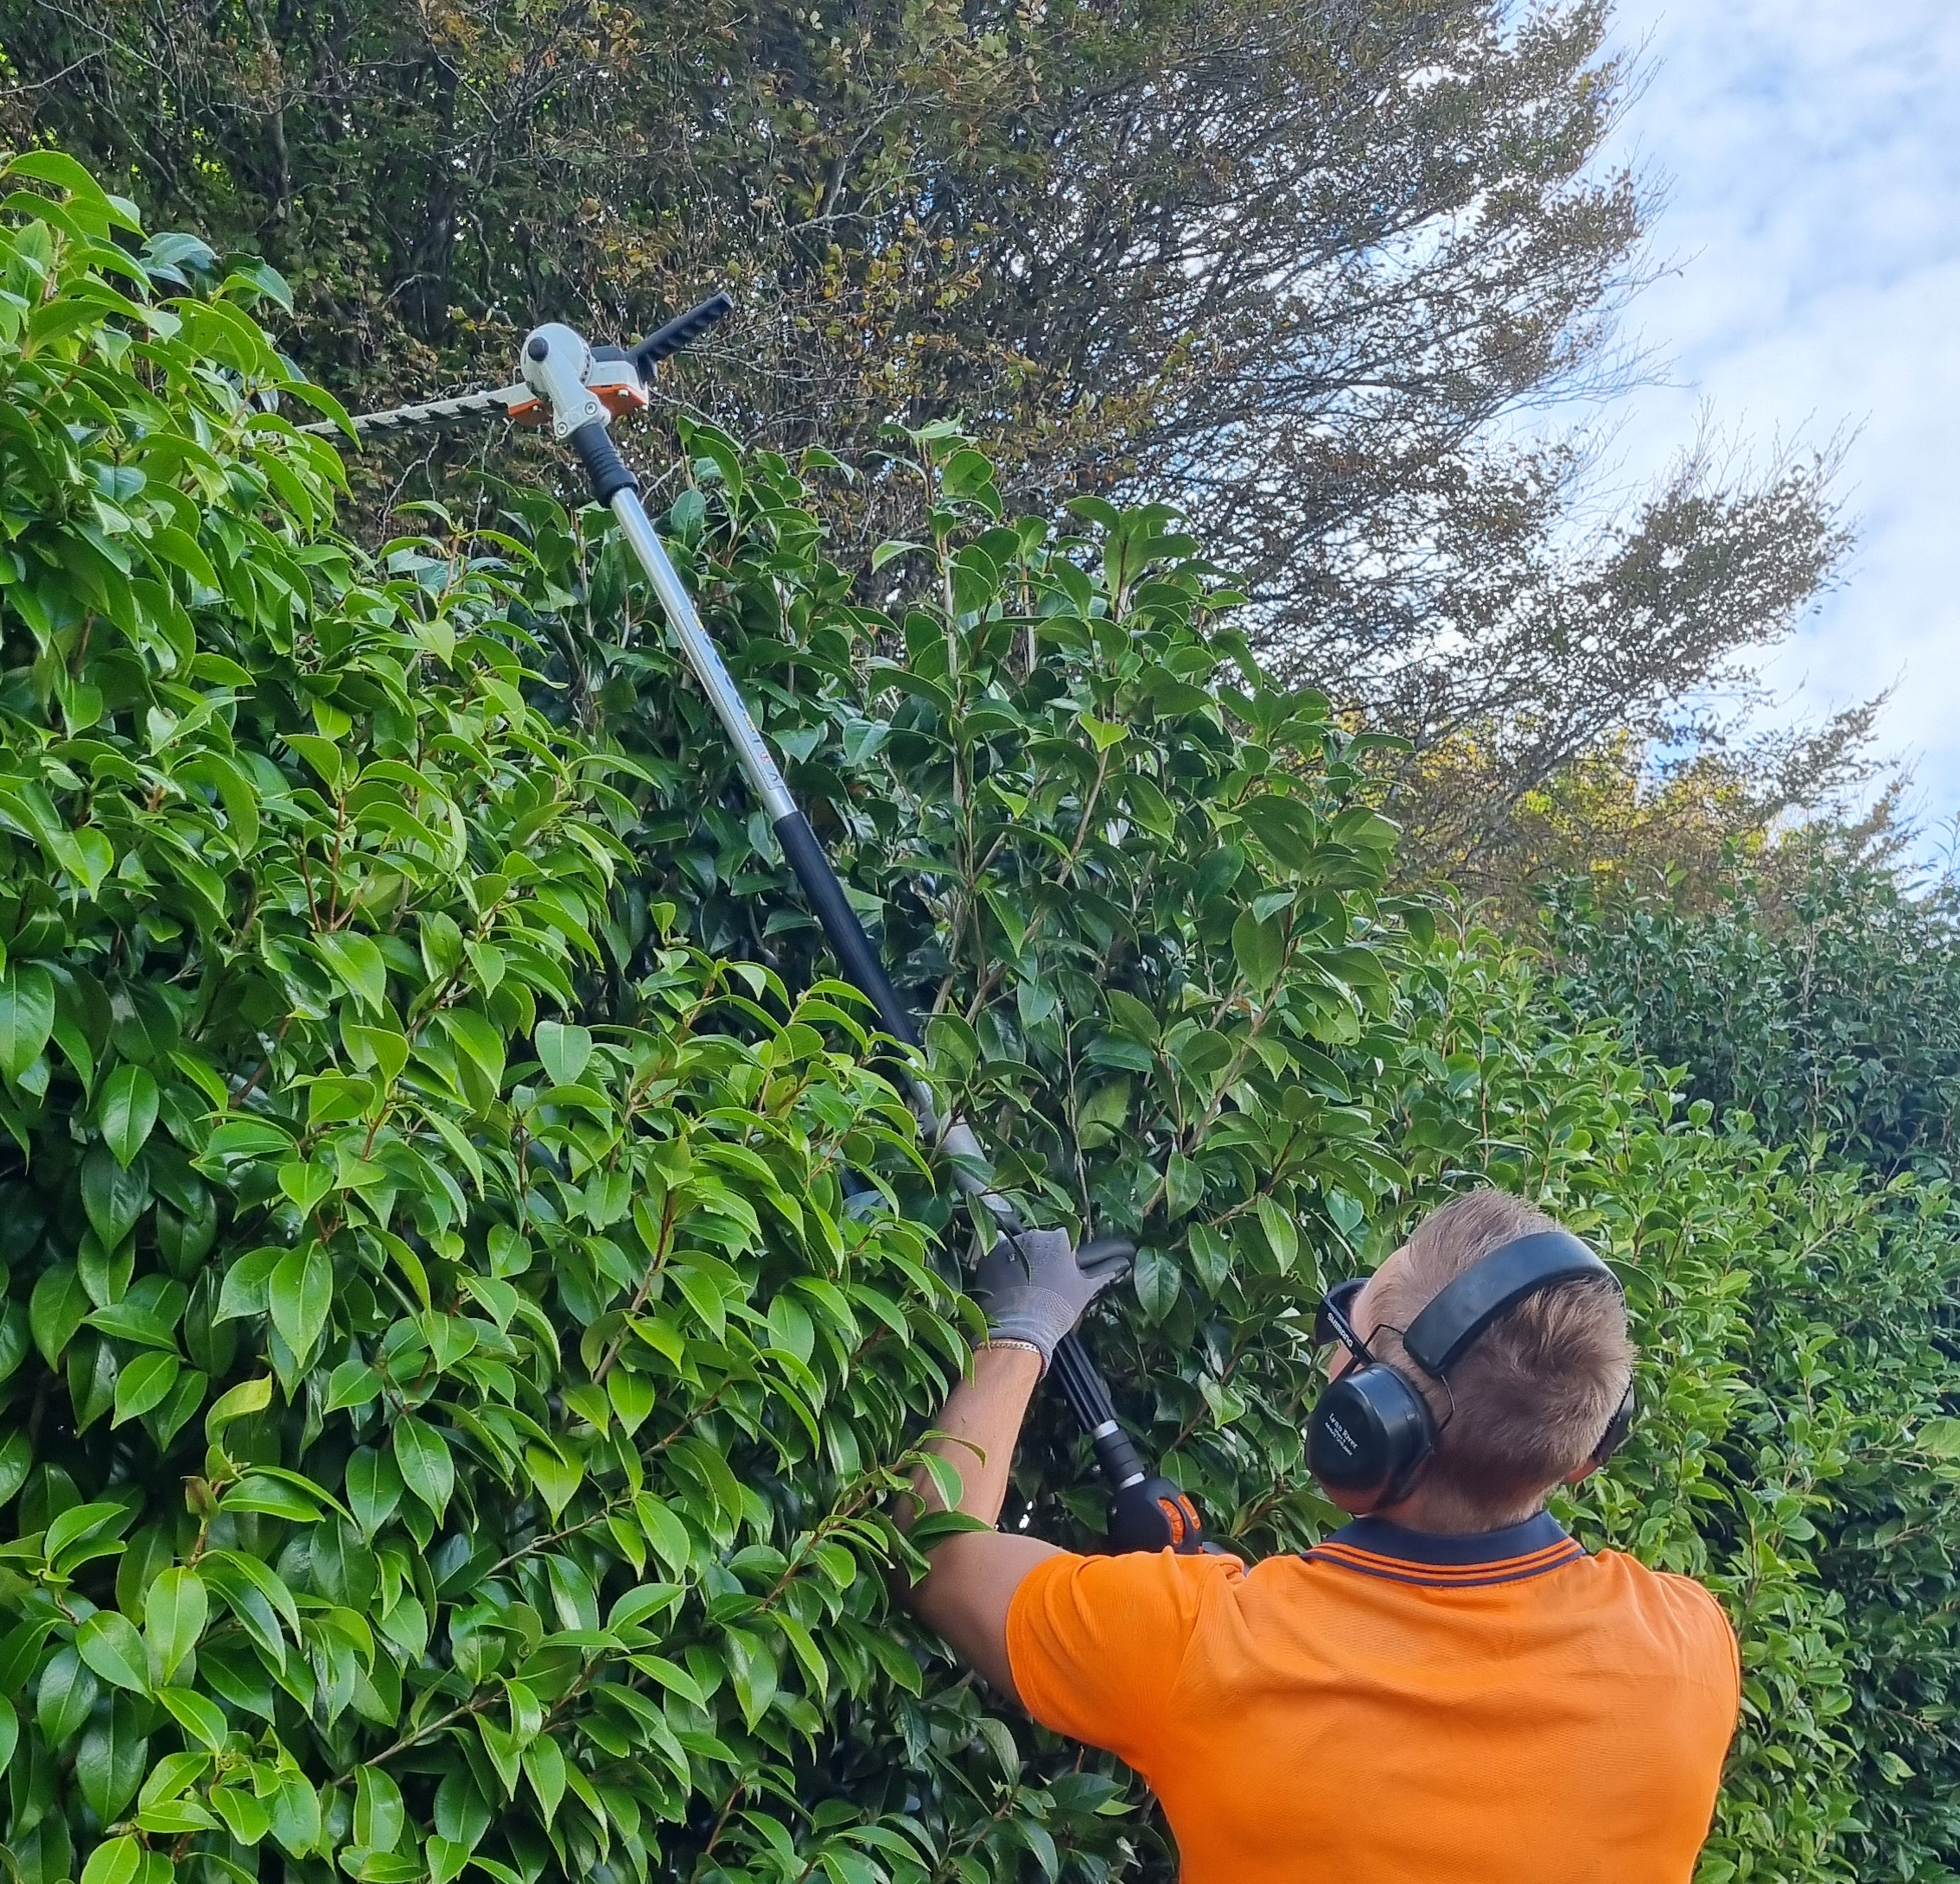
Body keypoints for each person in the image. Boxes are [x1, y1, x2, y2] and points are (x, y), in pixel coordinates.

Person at [899, 1188, 1740, 1883]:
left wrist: (1022, 1329)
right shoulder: (1689, 1647)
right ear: (1588, 1452)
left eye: (1345, 1339)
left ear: (1364, 1423)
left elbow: (936, 1550)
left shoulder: (1203, 1648)